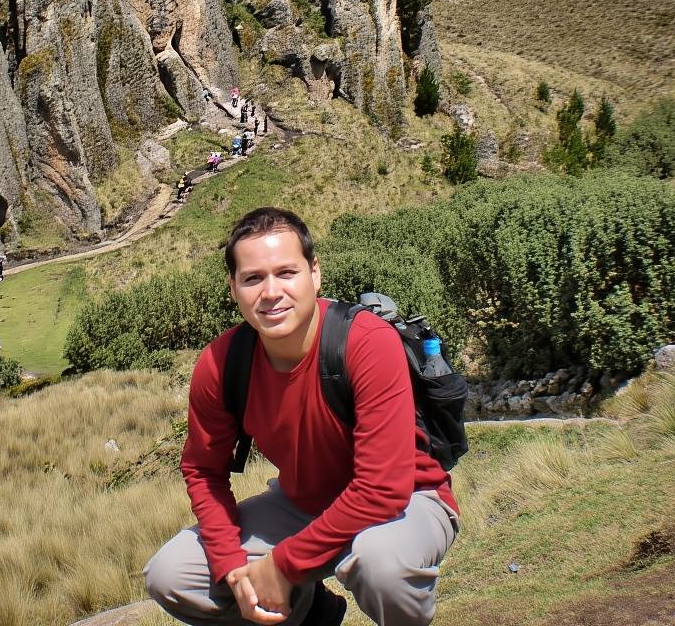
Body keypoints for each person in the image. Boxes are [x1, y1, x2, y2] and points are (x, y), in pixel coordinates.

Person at [144, 207, 458, 626]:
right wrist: (231, 564)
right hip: (302, 504)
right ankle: (312, 615)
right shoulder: (221, 364)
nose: (270, 292)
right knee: (172, 574)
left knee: (382, 563)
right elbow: (202, 470)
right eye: (253, 278)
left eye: (286, 273)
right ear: (233, 287)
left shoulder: (366, 342)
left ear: (315, 274)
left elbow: (383, 488)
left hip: (408, 500)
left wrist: (282, 566)